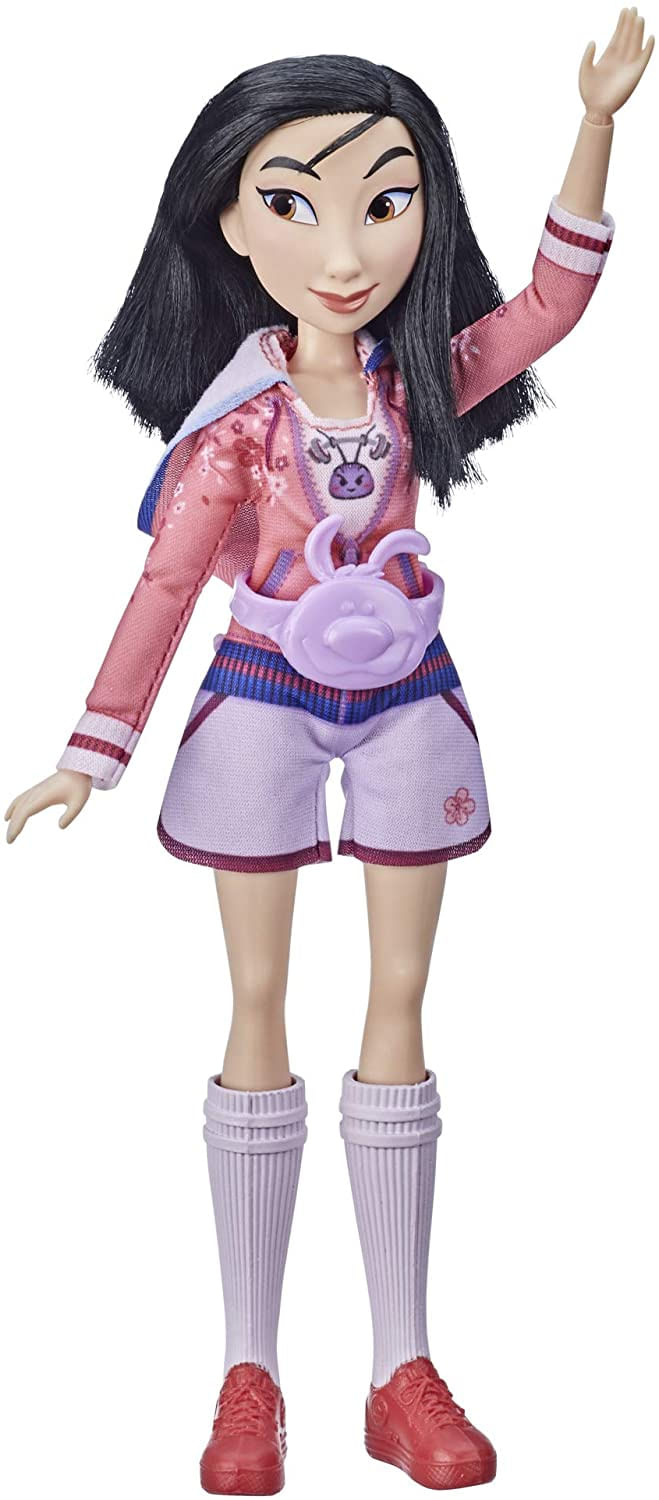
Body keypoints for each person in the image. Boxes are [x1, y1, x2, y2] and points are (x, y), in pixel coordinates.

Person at [5, 14, 653, 1494]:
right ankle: (250, 1372)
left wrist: (596, 125)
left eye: (388, 198)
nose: (348, 249)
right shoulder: (236, 429)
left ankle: (398, 1367)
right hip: (260, 689)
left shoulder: (419, 383)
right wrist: (91, 752)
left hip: (408, 685)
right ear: (230, 224)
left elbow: (551, 307)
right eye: (294, 204)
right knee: (255, 1003)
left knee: (403, 1001)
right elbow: (167, 585)